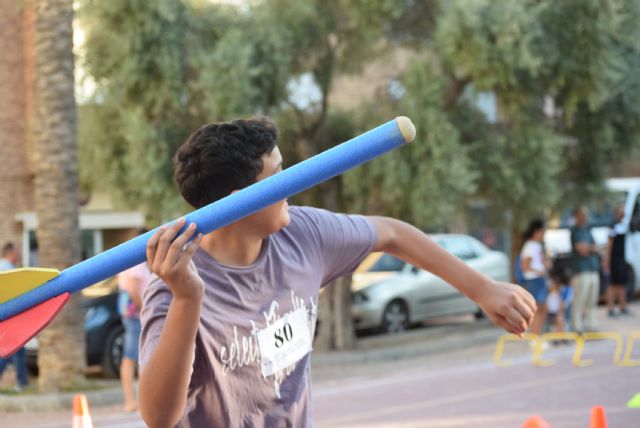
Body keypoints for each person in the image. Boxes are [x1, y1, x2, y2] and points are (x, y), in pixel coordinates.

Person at [137, 117, 536, 427]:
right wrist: (188, 299)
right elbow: (159, 417)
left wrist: (482, 289)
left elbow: (392, 233)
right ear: (240, 202)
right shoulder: (175, 283)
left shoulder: (304, 234)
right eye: (278, 175)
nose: (292, 183)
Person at [117, 235, 151, 412]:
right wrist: (143, 309)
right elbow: (132, 288)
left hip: (130, 314)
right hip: (135, 315)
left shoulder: (127, 262)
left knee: (135, 357)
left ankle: (136, 400)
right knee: (132, 357)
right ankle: (130, 401)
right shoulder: (136, 263)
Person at [0, 242, 29, 391]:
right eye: (17, 252)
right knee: (13, 350)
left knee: (15, 350)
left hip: (8, 316)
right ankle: (22, 382)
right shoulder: (7, 270)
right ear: (9, 253)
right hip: (10, 315)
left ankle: (23, 382)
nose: (19, 255)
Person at [570, 206, 601, 334]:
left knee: (592, 301)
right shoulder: (575, 231)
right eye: (582, 214)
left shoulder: (587, 230)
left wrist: (590, 248)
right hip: (581, 271)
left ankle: (591, 326)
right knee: (579, 300)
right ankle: (577, 327)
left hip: (593, 269)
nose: (585, 217)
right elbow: (582, 250)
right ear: (577, 216)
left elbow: (597, 247)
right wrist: (591, 249)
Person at [519, 219, 549, 336]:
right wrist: (539, 271)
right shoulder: (530, 245)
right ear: (538, 231)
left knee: (543, 309)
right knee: (537, 310)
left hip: (539, 280)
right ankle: (534, 337)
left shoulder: (537, 245)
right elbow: (525, 266)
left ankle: (537, 335)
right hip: (533, 280)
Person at [604, 205, 632, 317]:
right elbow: (609, 244)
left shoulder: (623, 225)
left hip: (621, 259)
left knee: (622, 283)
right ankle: (610, 308)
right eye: (622, 210)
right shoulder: (613, 225)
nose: (624, 212)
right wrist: (607, 259)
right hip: (614, 260)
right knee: (613, 284)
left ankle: (622, 306)